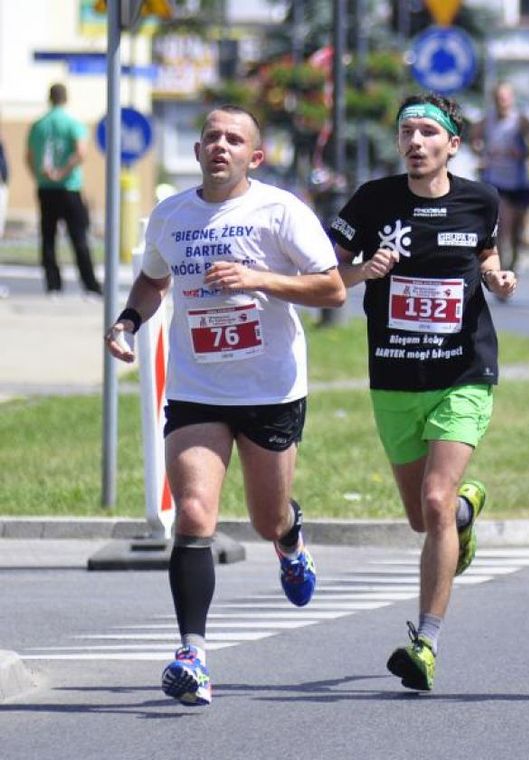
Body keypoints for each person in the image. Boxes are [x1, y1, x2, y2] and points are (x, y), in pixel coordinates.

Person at [104, 105, 347, 706]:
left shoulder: (280, 211)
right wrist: (128, 321)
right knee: (192, 513)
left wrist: (259, 279)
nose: (220, 146)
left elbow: (333, 287)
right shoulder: (171, 215)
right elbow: (154, 280)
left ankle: (290, 541)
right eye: (211, 136)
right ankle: (193, 654)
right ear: (196, 151)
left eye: (233, 139)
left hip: (269, 389)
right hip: (197, 387)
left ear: (254, 157)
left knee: (266, 519)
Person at [329, 93, 517, 692]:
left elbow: (485, 250)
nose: (415, 142)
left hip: (463, 372)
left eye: (427, 133)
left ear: (451, 146)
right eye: (406, 131)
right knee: (424, 517)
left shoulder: (480, 200)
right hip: (394, 376)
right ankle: (467, 509)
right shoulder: (372, 202)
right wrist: (363, 272)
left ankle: (425, 643)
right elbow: (325, 276)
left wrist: (496, 274)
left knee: (433, 502)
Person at [25, 83, 102, 296]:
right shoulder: (72, 123)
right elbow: (81, 152)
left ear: (49, 98)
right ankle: (90, 284)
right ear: (65, 98)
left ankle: (53, 284)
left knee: (48, 237)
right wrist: (63, 171)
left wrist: (40, 176)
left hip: (46, 188)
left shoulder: (38, 125)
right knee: (79, 237)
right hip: (69, 187)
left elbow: (29, 157)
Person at [469, 81, 529, 273]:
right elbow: (473, 141)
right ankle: (502, 268)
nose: (502, 101)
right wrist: (480, 151)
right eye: (498, 97)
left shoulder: (521, 121)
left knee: (516, 232)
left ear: (512, 99)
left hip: (519, 182)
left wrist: (521, 154)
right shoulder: (487, 120)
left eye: (505, 97)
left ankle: (514, 260)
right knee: (503, 224)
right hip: (496, 181)